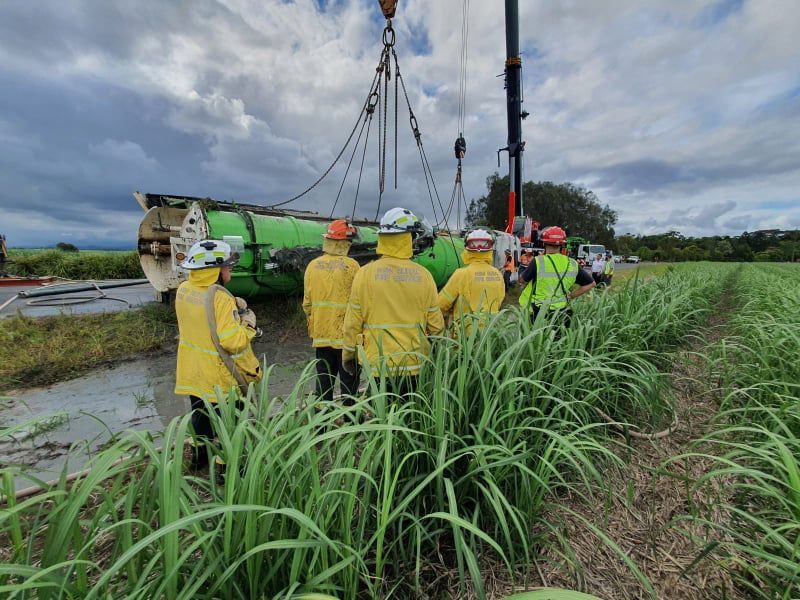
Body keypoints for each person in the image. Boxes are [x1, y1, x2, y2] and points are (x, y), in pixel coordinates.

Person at [174, 239, 262, 469]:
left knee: (200, 416)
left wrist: (232, 303)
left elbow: (201, 319)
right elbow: (232, 342)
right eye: (227, 266)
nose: (230, 270)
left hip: (192, 371)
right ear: (214, 270)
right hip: (218, 376)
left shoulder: (184, 289)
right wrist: (248, 324)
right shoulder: (220, 298)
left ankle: (198, 460)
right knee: (229, 423)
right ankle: (227, 468)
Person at [342, 207, 443, 398]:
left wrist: (349, 356)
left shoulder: (364, 274)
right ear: (409, 238)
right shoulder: (424, 276)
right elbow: (436, 327)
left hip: (378, 367)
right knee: (411, 420)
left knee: (381, 421)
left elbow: (352, 324)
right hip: (415, 366)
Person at [302, 219, 361, 403]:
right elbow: (359, 304)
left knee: (323, 384)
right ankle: (352, 424)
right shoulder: (352, 267)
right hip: (346, 339)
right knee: (349, 384)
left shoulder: (313, 266)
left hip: (321, 337)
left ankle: (322, 426)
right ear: (345, 242)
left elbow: (307, 304)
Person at [518, 226, 595, 328]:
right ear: (562, 245)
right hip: (562, 312)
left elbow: (522, 280)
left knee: (538, 341)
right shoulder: (572, 263)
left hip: (540, 312)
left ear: (544, 243)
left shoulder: (538, 261)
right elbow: (591, 283)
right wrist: (571, 295)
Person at [438, 229, 505, 333]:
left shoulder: (461, 274)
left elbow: (441, 304)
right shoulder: (497, 274)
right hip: (490, 334)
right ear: (490, 250)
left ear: (467, 249)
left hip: (465, 336)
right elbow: (499, 301)